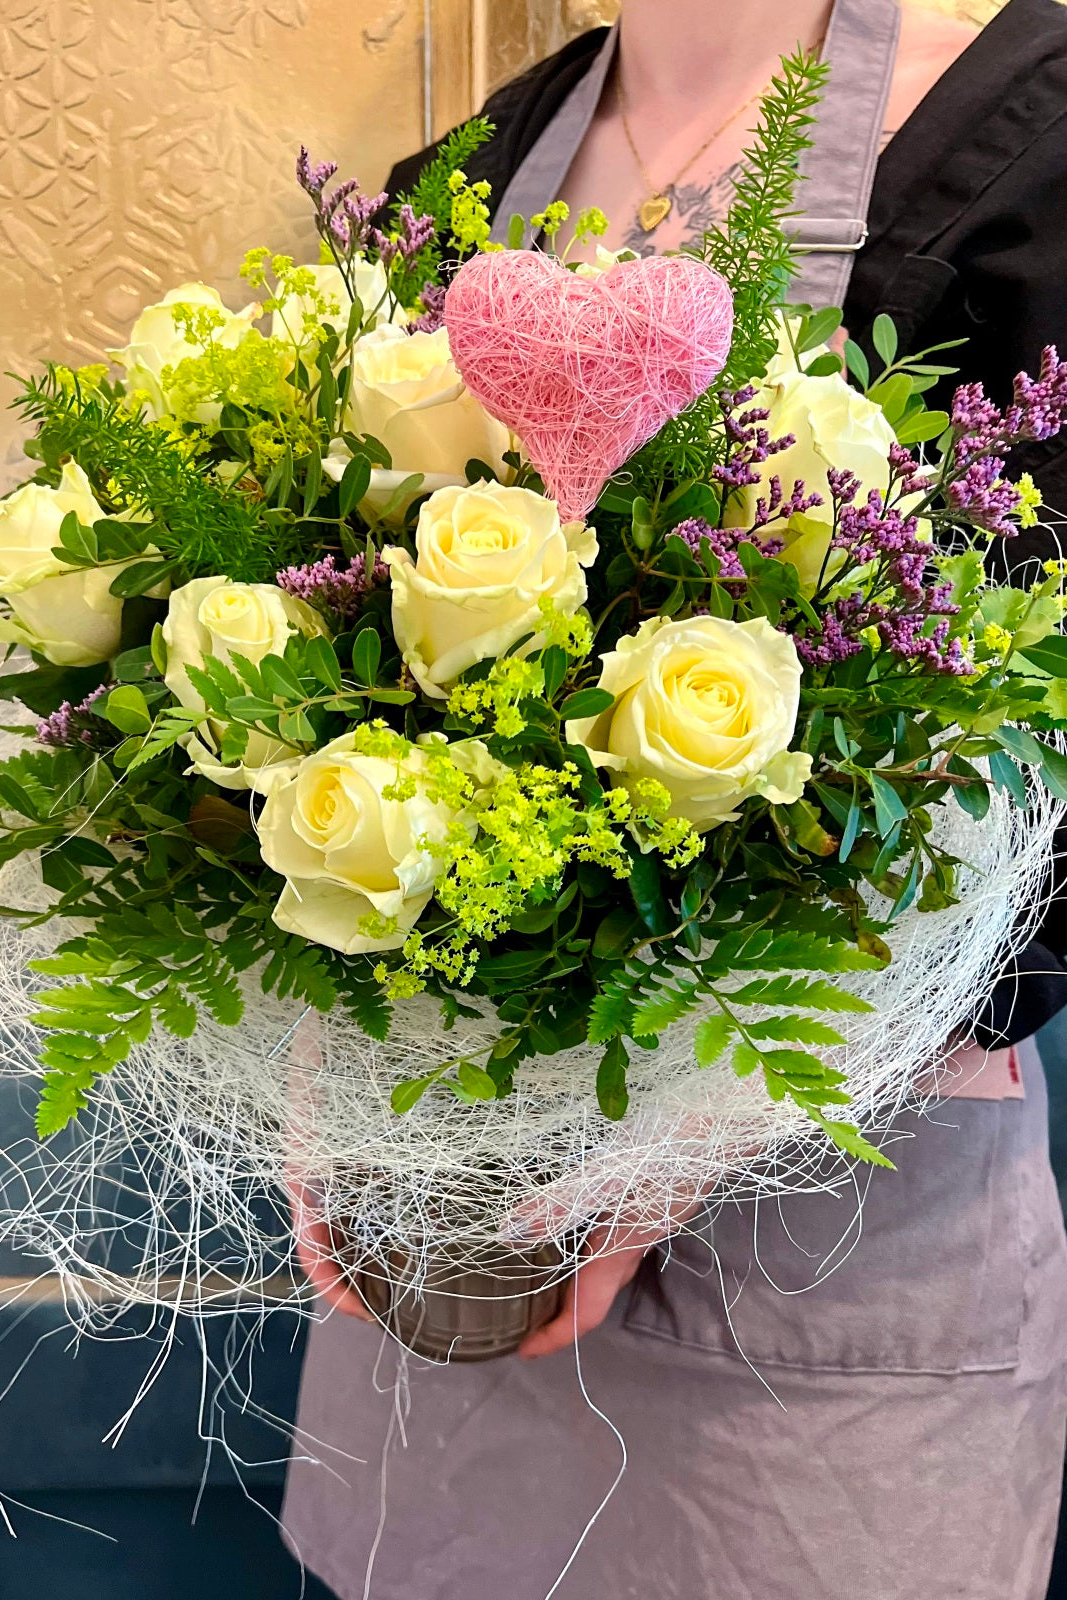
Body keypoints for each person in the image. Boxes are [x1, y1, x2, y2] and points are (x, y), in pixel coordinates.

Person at [281, 2, 1067, 1595]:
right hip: (449, 1280)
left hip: (823, 1295)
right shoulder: (474, 169)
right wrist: (329, 1080)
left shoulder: (1040, 147)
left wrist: (675, 1142)